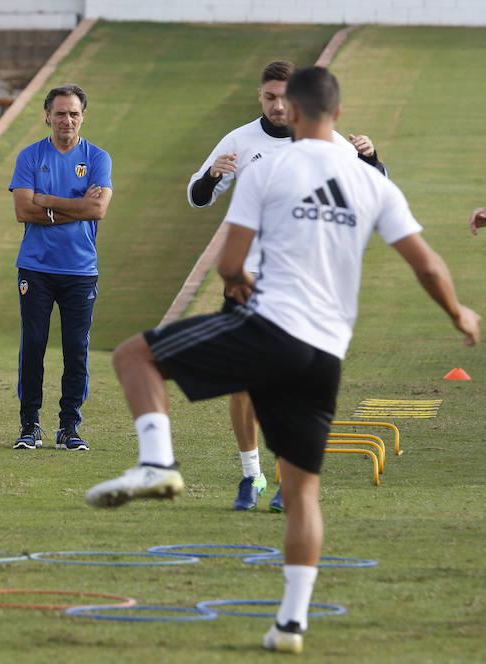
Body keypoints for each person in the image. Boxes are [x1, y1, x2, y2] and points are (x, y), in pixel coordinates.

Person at [85, 66, 479, 654]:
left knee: (135, 355)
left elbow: (228, 264)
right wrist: (458, 315)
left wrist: (240, 289)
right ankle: (291, 623)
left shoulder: (269, 166)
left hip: (270, 326)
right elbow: (426, 263)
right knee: (301, 495)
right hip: (325, 355)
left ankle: (158, 463)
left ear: (290, 113)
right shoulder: (372, 181)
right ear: (339, 116)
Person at [187, 60, 387, 512]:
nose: (278, 106)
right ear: (260, 96)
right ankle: (250, 475)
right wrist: (214, 175)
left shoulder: (328, 142)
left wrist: (372, 160)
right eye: (269, 97)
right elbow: (197, 197)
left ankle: (288, 477)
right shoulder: (239, 140)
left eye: (285, 97)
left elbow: (377, 192)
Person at [9, 84, 113, 451]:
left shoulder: (98, 158)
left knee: (75, 348)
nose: (67, 119)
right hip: (35, 267)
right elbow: (23, 210)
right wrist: (74, 206)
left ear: (83, 116)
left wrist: (48, 203)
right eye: (60, 113)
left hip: (81, 268)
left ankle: (69, 426)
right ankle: (29, 423)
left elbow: (97, 209)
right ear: (47, 116)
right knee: (33, 343)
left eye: (73, 113)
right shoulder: (29, 156)